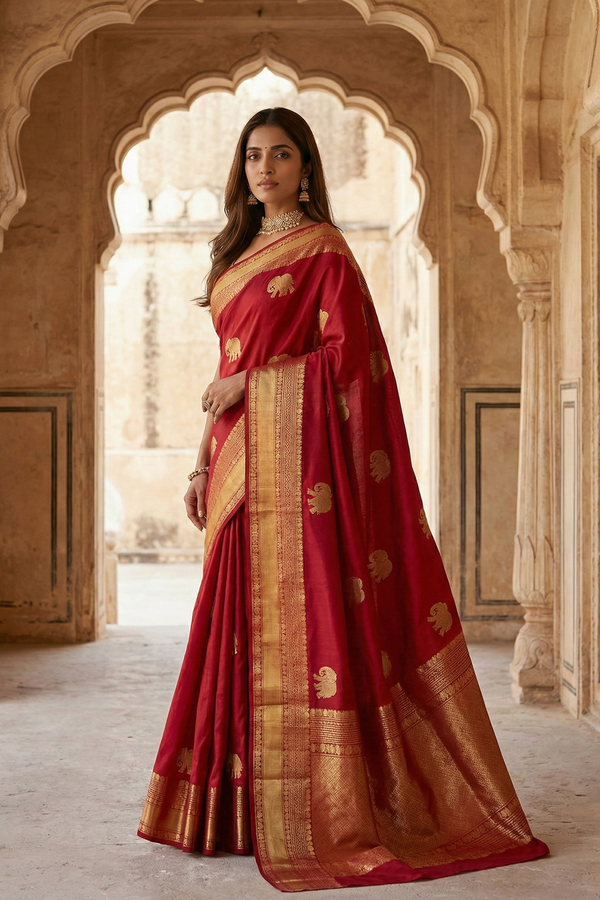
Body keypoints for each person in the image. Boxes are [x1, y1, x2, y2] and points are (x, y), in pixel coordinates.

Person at [137, 107, 548, 892]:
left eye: (281, 155)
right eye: (254, 156)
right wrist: (198, 466)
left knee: (308, 627)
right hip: (233, 465)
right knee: (230, 627)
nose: (265, 168)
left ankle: (313, 808)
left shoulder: (323, 252)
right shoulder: (235, 251)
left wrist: (248, 387)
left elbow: (345, 360)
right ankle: (231, 807)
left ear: (304, 166)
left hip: (299, 475)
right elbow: (228, 363)